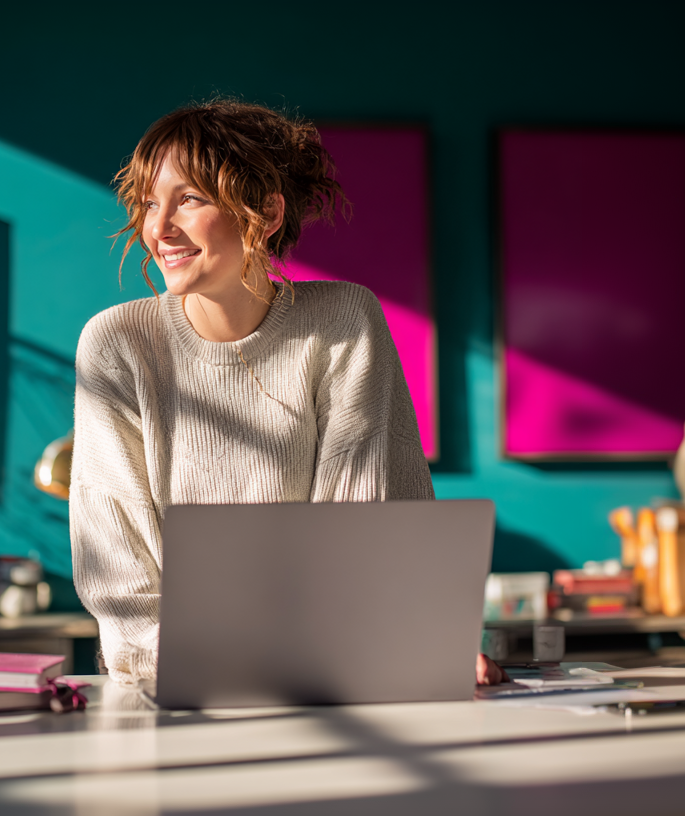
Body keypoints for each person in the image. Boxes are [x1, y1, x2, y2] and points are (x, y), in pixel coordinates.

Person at [70, 99, 506, 690]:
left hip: (326, 681)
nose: (158, 227)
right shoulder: (117, 343)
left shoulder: (346, 322)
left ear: (266, 212)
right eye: (150, 202)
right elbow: (121, 577)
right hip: (175, 688)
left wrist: (410, 642)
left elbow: (365, 525)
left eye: (188, 199)